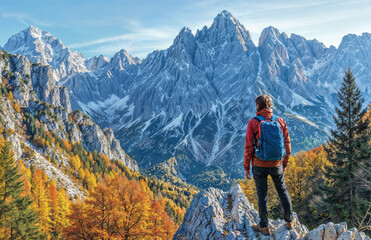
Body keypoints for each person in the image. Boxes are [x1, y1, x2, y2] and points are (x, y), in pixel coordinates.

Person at [244, 94, 295, 236]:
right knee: (282, 191)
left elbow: (248, 147)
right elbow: (287, 144)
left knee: (262, 195)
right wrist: (285, 163)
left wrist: (247, 167)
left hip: (259, 164)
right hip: (276, 163)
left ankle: (264, 226)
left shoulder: (253, 123)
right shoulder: (280, 121)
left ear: (258, 106)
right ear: (270, 105)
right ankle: (289, 221)